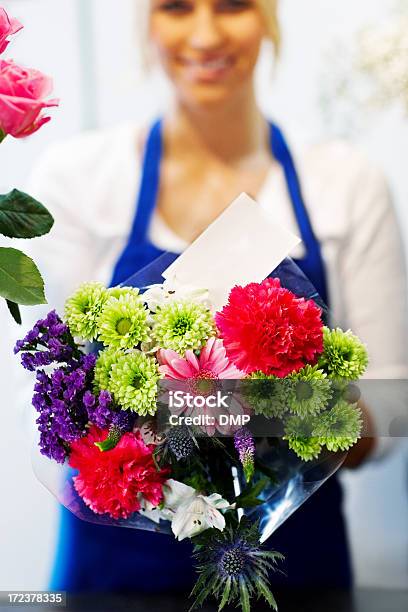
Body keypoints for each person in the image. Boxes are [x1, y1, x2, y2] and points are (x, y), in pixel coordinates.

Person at [24, 0, 408, 596]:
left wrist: (213, 404)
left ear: (270, 19)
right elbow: (61, 406)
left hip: (293, 580)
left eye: (233, 5)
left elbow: (389, 411)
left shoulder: (344, 182)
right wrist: (245, 407)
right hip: (114, 582)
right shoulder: (78, 180)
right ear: (145, 24)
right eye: (176, 7)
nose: (205, 34)